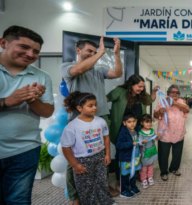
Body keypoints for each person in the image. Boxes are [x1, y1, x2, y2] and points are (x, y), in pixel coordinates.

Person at [60, 36, 123, 201]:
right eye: (90, 51)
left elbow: (117, 73)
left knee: (102, 155)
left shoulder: (98, 71)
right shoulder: (68, 67)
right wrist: (101, 53)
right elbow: (79, 70)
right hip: (77, 119)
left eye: (95, 52)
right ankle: (75, 196)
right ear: (78, 50)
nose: (93, 54)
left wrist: (116, 54)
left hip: (101, 117)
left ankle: (103, 186)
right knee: (74, 157)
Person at [0, 25, 54, 205]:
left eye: (36, 51)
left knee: (19, 201)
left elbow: (47, 112)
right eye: (24, 47)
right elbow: (9, 101)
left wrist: (32, 100)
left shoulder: (42, 76)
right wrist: (7, 102)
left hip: (26, 149)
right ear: (3, 43)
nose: (30, 54)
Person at [61, 92, 117, 205]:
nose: (95, 108)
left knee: (102, 182)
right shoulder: (72, 126)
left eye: (95, 105)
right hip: (82, 160)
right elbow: (66, 147)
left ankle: (107, 202)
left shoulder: (101, 121)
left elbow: (106, 138)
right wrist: (75, 165)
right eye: (90, 105)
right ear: (79, 108)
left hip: (100, 157)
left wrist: (107, 154)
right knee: (85, 186)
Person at [107, 74, 159, 190]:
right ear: (131, 85)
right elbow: (105, 99)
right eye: (139, 86)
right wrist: (104, 116)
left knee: (135, 152)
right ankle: (119, 180)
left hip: (136, 128)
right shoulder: (120, 91)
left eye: (142, 87)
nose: (141, 89)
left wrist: (154, 91)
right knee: (121, 154)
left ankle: (132, 175)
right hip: (122, 128)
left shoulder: (141, 95)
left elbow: (151, 99)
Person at [154, 85, 189, 181]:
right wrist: (160, 111)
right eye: (172, 92)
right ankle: (164, 172)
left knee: (177, 153)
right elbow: (155, 114)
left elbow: (187, 109)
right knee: (163, 154)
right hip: (165, 133)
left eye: (176, 92)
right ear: (168, 92)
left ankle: (173, 169)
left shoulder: (181, 102)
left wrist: (174, 103)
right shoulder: (162, 101)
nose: (174, 94)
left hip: (179, 132)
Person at [116, 113, 141, 198]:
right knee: (125, 174)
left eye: (134, 121)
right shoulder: (123, 132)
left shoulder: (136, 130)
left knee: (133, 172)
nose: (132, 123)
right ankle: (124, 191)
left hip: (135, 157)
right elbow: (119, 145)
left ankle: (133, 187)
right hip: (126, 158)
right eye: (129, 122)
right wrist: (131, 143)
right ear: (124, 123)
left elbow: (138, 141)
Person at [138, 114, 160, 189]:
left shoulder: (152, 131)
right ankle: (143, 179)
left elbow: (154, 140)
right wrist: (142, 142)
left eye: (150, 122)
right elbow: (139, 142)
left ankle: (150, 177)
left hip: (152, 151)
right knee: (144, 167)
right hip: (145, 153)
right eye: (146, 122)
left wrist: (156, 137)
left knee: (151, 165)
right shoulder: (140, 132)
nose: (149, 124)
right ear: (141, 123)